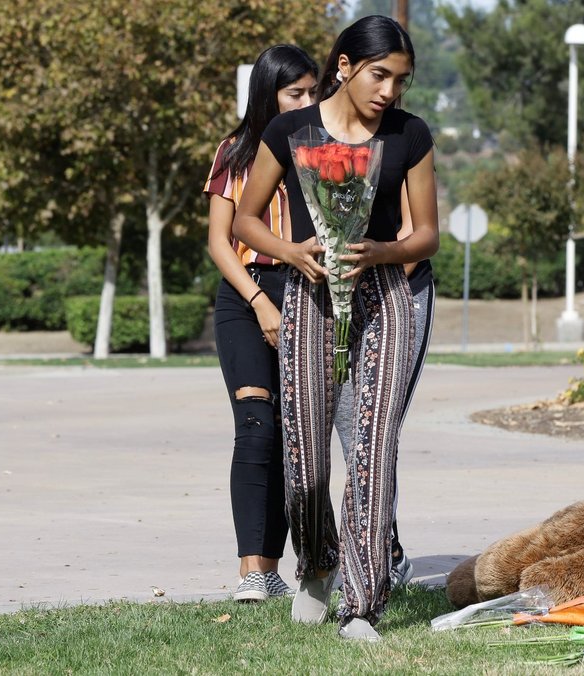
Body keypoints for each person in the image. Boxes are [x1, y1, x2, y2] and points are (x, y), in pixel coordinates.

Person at [232, 15, 439, 641]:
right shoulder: (287, 129)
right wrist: (291, 252)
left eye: (400, 81)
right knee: (307, 458)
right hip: (310, 294)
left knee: (375, 447)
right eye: (380, 75)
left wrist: (383, 251)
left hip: (386, 296)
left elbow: (428, 233)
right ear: (344, 66)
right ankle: (317, 567)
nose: (389, 92)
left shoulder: (410, 134)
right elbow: (245, 221)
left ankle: (361, 603)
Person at [203, 44, 320, 603]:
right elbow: (219, 242)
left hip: (310, 293)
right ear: (267, 94)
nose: (306, 101)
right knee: (256, 425)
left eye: (312, 91)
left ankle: (324, 561)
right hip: (246, 295)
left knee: (304, 437)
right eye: (294, 92)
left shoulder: (323, 149)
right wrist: (258, 302)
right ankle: (257, 572)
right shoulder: (236, 150)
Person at [332, 187, 435, 590]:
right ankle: (385, 548)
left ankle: (375, 558)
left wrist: (374, 285)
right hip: (336, 298)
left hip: (399, 288)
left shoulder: (403, 136)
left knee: (375, 431)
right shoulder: (316, 140)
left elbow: (416, 229)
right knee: (348, 432)